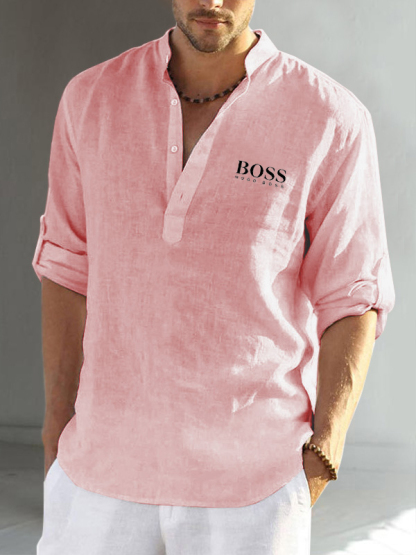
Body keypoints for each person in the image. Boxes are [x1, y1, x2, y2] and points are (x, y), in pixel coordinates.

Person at [32, 1, 395, 554]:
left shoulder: (330, 117)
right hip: (97, 474)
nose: (214, 0)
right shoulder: (91, 98)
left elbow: (352, 294)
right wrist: (56, 431)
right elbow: (66, 265)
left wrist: (325, 450)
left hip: (254, 486)